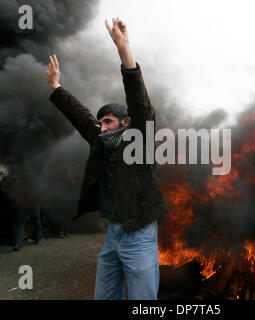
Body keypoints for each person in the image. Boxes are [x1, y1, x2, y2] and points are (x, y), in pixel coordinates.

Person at [46, 18, 168, 300]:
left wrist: (124, 51)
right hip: (113, 232)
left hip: (139, 233)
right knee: (104, 295)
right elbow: (80, 116)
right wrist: (56, 86)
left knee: (142, 301)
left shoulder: (140, 140)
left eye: (108, 122)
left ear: (126, 122)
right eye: (100, 123)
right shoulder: (101, 141)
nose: (101, 128)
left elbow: (140, 102)